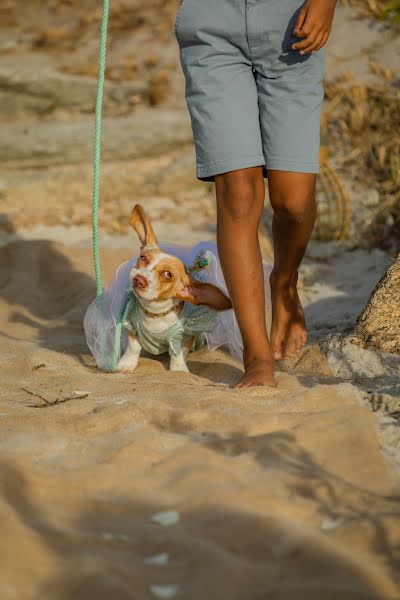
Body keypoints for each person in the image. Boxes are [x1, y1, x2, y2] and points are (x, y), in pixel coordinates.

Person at [174, 0, 338, 388]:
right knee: (238, 192)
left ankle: (283, 282)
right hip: (211, 23)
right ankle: (257, 355)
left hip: (292, 20)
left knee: (293, 201)